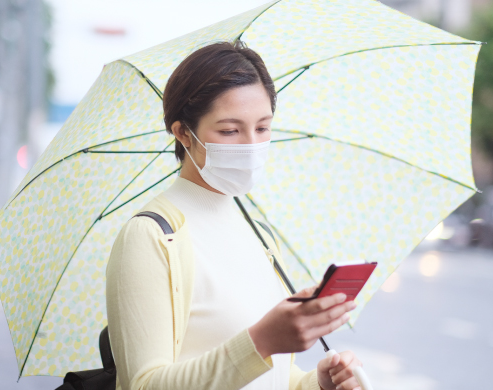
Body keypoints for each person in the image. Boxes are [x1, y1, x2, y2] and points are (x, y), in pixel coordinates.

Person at [106, 41, 363, 390]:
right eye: (229, 130)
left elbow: (271, 379)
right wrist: (262, 341)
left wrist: (315, 384)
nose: (251, 145)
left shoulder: (260, 235)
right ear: (183, 132)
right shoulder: (151, 236)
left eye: (262, 128)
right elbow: (144, 384)